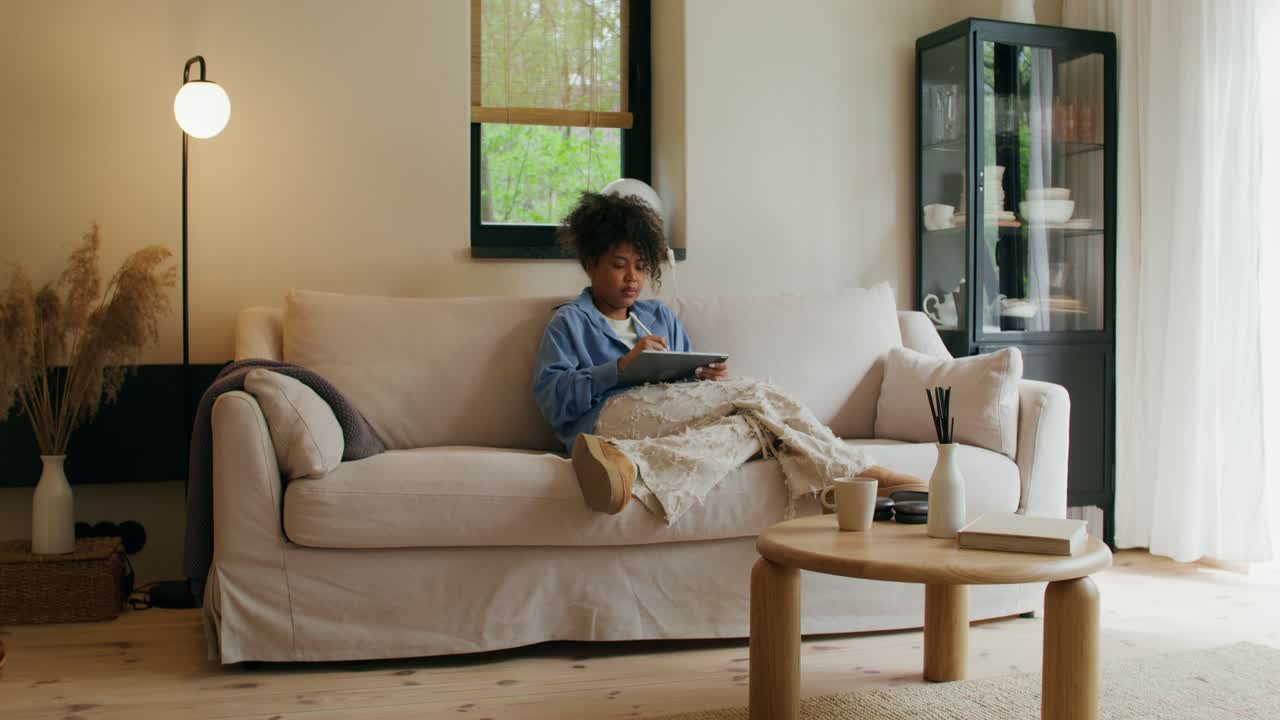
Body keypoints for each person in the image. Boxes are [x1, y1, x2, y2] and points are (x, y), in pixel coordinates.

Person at [532, 191, 924, 523]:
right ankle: (857, 474)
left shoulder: (658, 317)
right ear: (590, 265)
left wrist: (700, 377)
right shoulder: (571, 322)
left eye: (639, 266)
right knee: (755, 394)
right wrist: (618, 368)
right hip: (607, 419)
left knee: (750, 429)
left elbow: (681, 391)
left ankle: (627, 466)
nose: (632, 277)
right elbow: (553, 399)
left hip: (661, 421)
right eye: (619, 266)